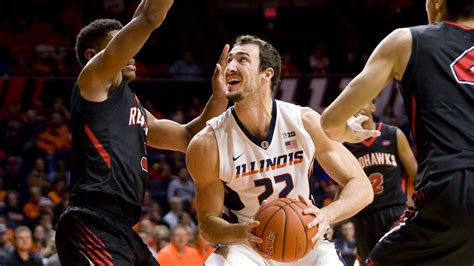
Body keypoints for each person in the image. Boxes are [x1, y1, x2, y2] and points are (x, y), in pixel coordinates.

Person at [54, 0, 229, 264]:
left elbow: (189, 137)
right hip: (91, 221)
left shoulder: (134, 108)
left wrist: (218, 97)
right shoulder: (92, 83)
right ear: (93, 57)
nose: (132, 53)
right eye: (122, 47)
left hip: (122, 229)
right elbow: (146, 18)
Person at [185, 35, 374, 265]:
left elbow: (363, 187)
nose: (230, 67)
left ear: (267, 73)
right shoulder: (207, 144)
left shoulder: (303, 121)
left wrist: (326, 216)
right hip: (247, 246)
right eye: (229, 61)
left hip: (305, 238)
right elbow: (207, 224)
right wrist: (243, 232)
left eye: (242, 60)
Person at [320, 0, 474, 264]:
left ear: (437, 2)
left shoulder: (406, 41)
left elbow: (330, 123)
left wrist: (351, 133)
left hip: (450, 187)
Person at [343, 101, 417, 263]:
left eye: (364, 99)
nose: (358, 104)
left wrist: (419, 204)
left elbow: (415, 174)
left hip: (395, 212)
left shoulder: (393, 134)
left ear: (373, 106)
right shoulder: (347, 146)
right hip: (364, 217)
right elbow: (344, 184)